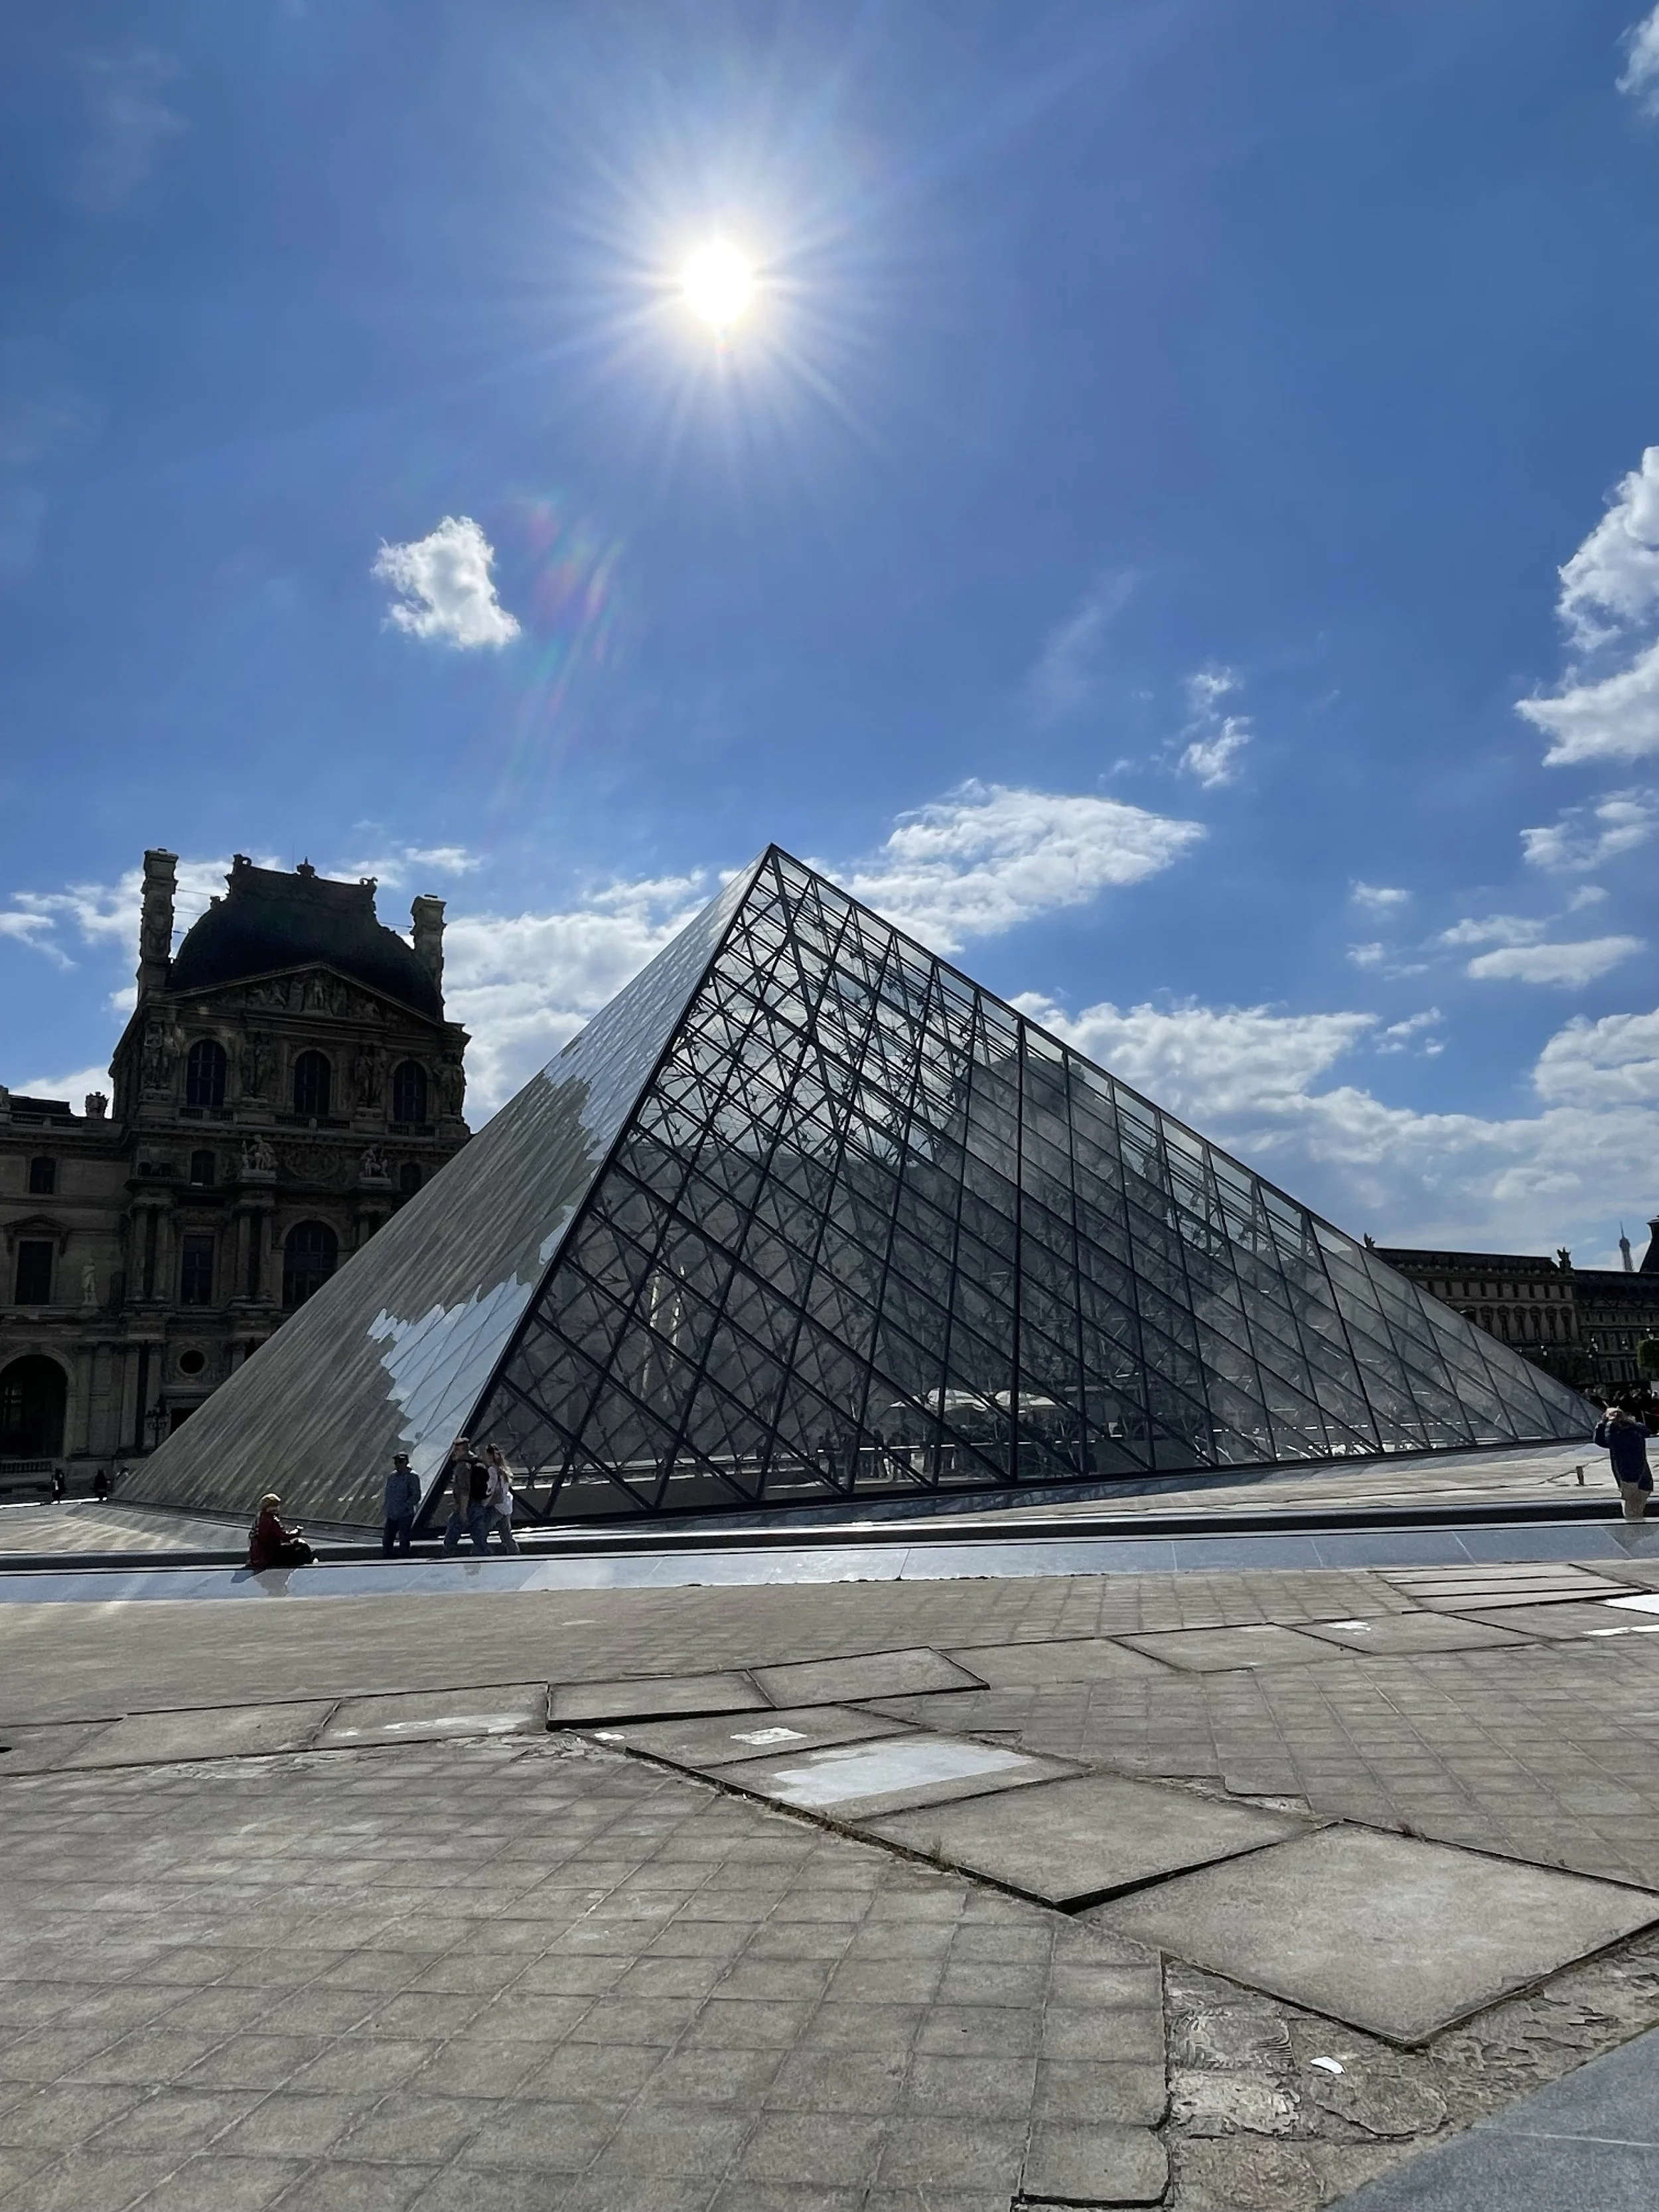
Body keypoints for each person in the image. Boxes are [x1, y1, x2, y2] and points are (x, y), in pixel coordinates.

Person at [1595, 1404, 1652, 1523]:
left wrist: (1607, 1421)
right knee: (1632, 1508)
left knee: (1633, 1508)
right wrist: (1605, 1423)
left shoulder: (1633, 1429)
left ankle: (1635, 1531)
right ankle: (1635, 1531)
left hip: (1635, 1474)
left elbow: (1647, 1431)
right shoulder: (1616, 1433)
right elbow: (1602, 1440)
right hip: (1630, 1475)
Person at [441, 1436, 490, 1554]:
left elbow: (464, 1491)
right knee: (479, 1537)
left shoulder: (463, 1466)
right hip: (478, 1504)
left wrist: (463, 1511)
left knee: (451, 1535)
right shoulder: (476, 1462)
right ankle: (486, 1557)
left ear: (464, 1450)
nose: (454, 1453)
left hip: (467, 1506)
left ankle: (447, 1557)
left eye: (457, 1450)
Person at [247, 1493, 315, 1570]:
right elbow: (285, 1536)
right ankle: (310, 1560)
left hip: (259, 1557)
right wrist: (297, 1531)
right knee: (301, 1545)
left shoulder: (258, 1519)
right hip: (270, 1557)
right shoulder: (272, 1519)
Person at [483, 1443, 519, 1554]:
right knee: (506, 1534)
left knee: (482, 1531)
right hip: (507, 1506)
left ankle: (483, 1552)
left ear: (489, 1456)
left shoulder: (492, 1471)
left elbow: (491, 1488)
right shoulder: (504, 1469)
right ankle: (515, 1553)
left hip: (497, 1506)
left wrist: (484, 1502)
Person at [382, 1451, 419, 1556]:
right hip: (391, 1514)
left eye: (401, 1461)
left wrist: (405, 1506)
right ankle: (387, 1557)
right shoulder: (392, 1476)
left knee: (404, 1539)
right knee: (387, 1539)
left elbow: (416, 1495)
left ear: (406, 1462)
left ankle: (405, 1557)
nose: (398, 1464)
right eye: (396, 1462)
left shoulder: (412, 1477)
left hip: (405, 1514)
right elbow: (388, 1493)